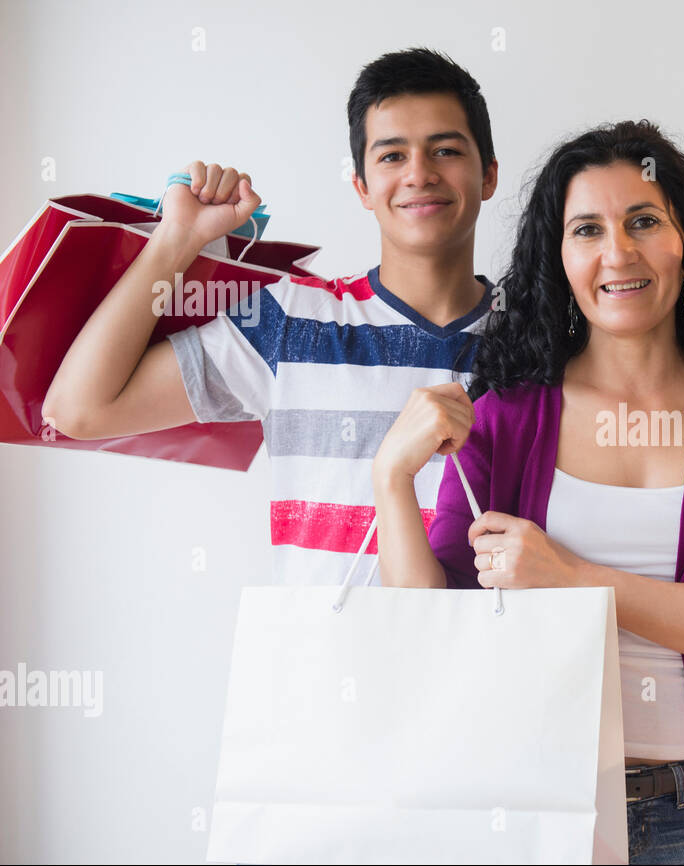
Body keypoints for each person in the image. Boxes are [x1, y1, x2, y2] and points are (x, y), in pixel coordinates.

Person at [369, 120, 684, 864]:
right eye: (587, 229)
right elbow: (430, 625)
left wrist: (574, 579)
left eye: (644, 221)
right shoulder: (504, 418)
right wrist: (389, 478)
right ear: (559, 257)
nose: (618, 253)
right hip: (538, 810)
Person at [41, 48, 499, 585]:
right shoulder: (290, 321)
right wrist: (177, 240)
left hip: (479, 663)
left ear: (488, 175)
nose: (419, 174)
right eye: (392, 156)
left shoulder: (540, 341)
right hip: (314, 664)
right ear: (361, 188)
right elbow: (78, 410)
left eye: (445, 150)